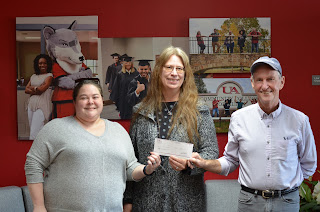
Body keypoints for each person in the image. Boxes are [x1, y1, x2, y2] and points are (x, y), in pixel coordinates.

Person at [189, 56, 317, 212]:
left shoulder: (299, 121)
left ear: (281, 82)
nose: (265, 86)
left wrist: (286, 186)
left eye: (270, 79)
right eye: (259, 80)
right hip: (249, 202)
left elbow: (309, 164)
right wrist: (204, 163)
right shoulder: (239, 118)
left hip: (286, 203)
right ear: (252, 83)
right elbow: (231, 160)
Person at [25, 79, 161, 212]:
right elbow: (33, 164)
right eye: (84, 97)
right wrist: (38, 206)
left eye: (95, 97)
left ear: (102, 100)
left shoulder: (118, 130)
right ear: (74, 102)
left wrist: (147, 169)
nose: (90, 102)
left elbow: (130, 168)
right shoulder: (55, 128)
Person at [123, 46, 219, 212]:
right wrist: (128, 199)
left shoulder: (199, 111)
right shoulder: (140, 111)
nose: (174, 73)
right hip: (147, 200)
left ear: (185, 74)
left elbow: (211, 152)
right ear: (159, 71)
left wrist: (190, 164)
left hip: (186, 200)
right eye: (169, 67)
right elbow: (132, 159)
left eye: (179, 68)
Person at [25, 54, 53, 140]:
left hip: (42, 105)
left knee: (35, 131)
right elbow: (26, 90)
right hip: (31, 105)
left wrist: (33, 88)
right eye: (40, 63)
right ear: (37, 65)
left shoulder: (49, 76)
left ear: (48, 64)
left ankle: (34, 150)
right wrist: (36, 88)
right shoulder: (33, 76)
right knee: (34, 129)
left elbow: (42, 90)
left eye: (45, 63)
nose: (42, 65)